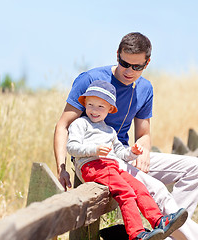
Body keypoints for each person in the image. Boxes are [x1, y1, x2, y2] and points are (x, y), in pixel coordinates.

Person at [53, 32, 198, 240]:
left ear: (147, 63)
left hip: (124, 153)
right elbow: (62, 125)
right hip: (96, 158)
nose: (129, 71)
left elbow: (144, 134)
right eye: (124, 63)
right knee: (157, 188)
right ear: (117, 55)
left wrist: (143, 150)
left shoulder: (145, 89)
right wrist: (62, 167)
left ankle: (171, 233)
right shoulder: (91, 79)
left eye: (137, 66)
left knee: (194, 168)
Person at [67, 80, 187, 240]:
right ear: (85, 104)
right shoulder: (81, 124)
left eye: (100, 107)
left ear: (110, 109)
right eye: (90, 105)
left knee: (139, 187)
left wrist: (133, 152)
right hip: (92, 166)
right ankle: (136, 234)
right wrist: (94, 150)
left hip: (112, 166)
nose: (94, 110)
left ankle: (158, 220)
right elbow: (72, 147)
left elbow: (120, 153)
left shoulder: (109, 130)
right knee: (126, 192)